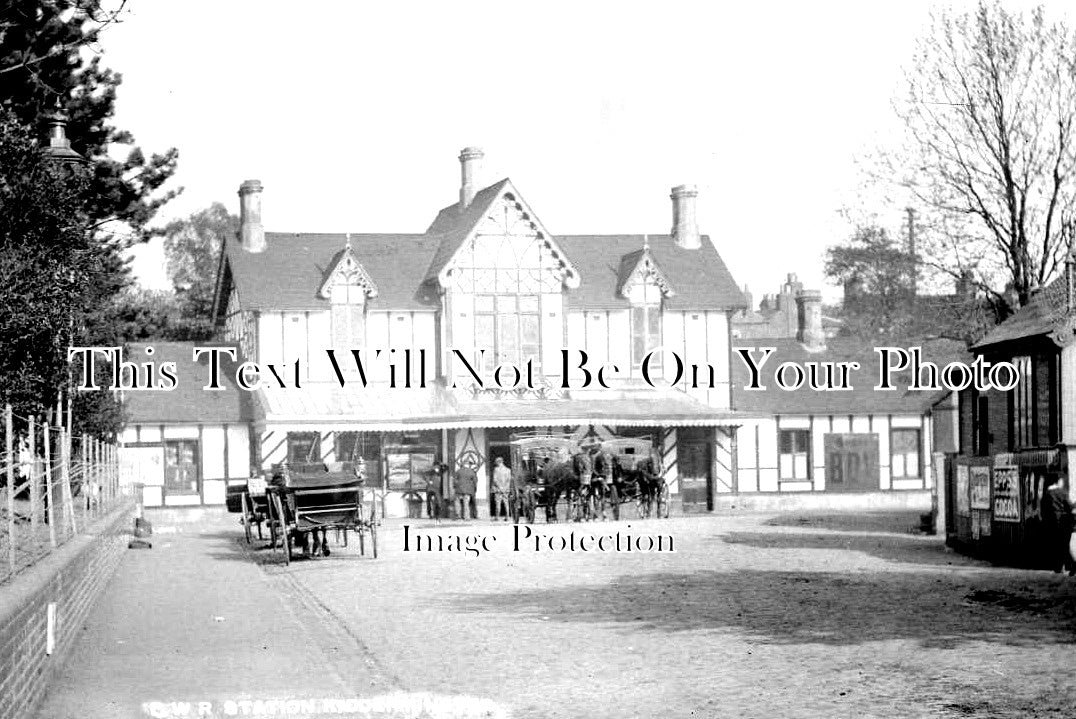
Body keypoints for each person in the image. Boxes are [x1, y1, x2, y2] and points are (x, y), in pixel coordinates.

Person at [1041, 476, 1075, 575]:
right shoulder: (1062, 492)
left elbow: (1043, 511)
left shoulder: (1046, 494)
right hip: (1064, 522)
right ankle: (1068, 565)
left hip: (1051, 523)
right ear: (1057, 482)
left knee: (1056, 545)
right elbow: (1069, 506)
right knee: (1064, 545)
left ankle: (1059, 567)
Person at [490, 456, 512, 521]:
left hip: (498, 489)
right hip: (506, 489)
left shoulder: (496, 469)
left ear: (498, 462)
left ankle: (497, 517)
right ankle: (507, 517)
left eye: (496, 462)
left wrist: (500, 488)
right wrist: (505, 488)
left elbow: (495, 480)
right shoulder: (508, 470)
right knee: (506, 503)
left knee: (498, 503)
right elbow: (509, 480)